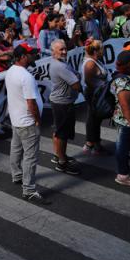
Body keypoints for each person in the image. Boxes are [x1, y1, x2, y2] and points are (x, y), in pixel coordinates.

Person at [5, 44, 48, 205]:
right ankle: (29, 190)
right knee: (30, 156)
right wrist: (37, 119)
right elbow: (31, 102)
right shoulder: (26, 76)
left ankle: (17, 175)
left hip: (16, 118)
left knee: (16, 148)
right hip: (27, 121)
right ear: (23, 56)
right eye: (31, 54)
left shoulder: (11, 71)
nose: (34, 56)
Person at [48, 39, 82, 175]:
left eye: (65, 49)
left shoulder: (61, 62)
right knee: (63, 134)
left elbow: (76, 76)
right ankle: (62, 163)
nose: (64, 51)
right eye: (60, 49)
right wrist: (77, 79)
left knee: (59, 131)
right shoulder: (60, 66)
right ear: (53, 51)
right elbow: (76, 85)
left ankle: (59, 155)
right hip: (63, 104)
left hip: (61, 102)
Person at [110, 50, 130, 187]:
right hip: (126, 121)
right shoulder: (123, 81)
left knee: (125, 147)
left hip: (128, 119)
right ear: (129, 64)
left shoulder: (128, 76)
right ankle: (122, 175)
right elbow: (125, 105)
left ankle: (126, 171)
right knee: (122, 148)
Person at [82, 39, 110, 155]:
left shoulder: (95, 60)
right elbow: (89, 82)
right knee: (94, 118)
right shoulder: (90, 63)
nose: (103, 50)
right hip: (95, 94)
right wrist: (102, 90)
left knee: (95, 118)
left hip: (97, 93)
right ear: (96, 50)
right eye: (101, 48)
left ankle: (94, 143)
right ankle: (93, 144)